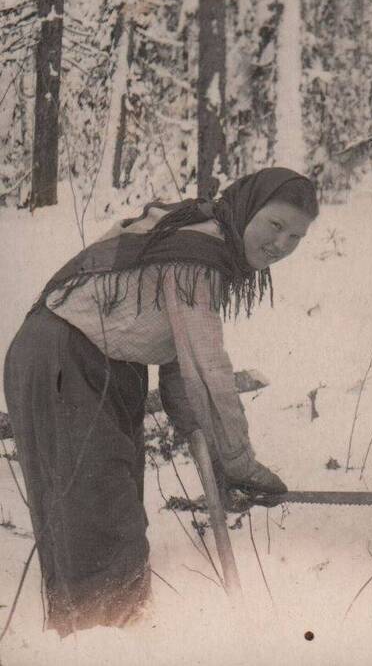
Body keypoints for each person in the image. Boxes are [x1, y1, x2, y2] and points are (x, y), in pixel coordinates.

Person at [4, 167, 317, 635]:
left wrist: (211, 453)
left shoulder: (205, 239)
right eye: (275, 225)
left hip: (104, 362)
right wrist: (240, 464)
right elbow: (207, 371)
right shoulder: (199, 253)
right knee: (101, 526)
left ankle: (93, 643)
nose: (281, 244)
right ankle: (100, 649)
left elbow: (178, 363)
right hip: (66, 358)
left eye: (295, 237)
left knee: (102, 522)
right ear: (250, 207)